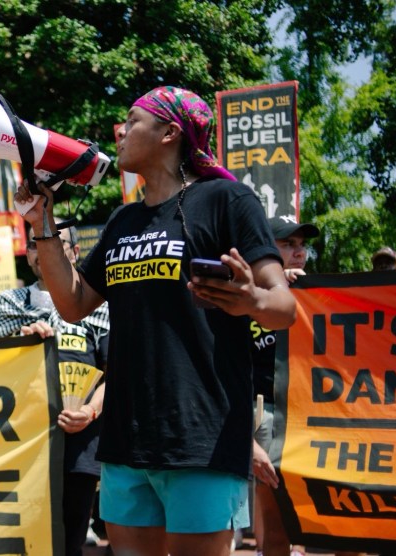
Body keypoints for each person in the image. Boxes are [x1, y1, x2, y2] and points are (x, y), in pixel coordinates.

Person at [15, 85, 296, 556]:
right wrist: (42, 222)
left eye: (132, 120)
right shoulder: (122, 221)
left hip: (200, 435)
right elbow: (73, 303)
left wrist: (249, 298)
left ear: (170, 132)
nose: (120, 131)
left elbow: (284, 309)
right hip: (126, 438)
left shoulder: (227, 200)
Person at [0, 224, 109, 556]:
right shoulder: (8, 304)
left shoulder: (98, 306)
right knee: (22, 538)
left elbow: (114, 373)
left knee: (70, 538)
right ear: (27, 254)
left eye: (54, 242)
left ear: (74, 252)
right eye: (34, 243)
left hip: (79, 441)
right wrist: (21, 346)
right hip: (22, 441)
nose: (42, 249)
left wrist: (91, 411)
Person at [249, 221, 319, 556]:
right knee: (274, 521)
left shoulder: (321, 295)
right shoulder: (247, 296)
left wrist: (307, 295)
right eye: (288, 243)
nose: (300, 251)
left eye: (302, 244)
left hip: (316, 418)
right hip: (268, 416)